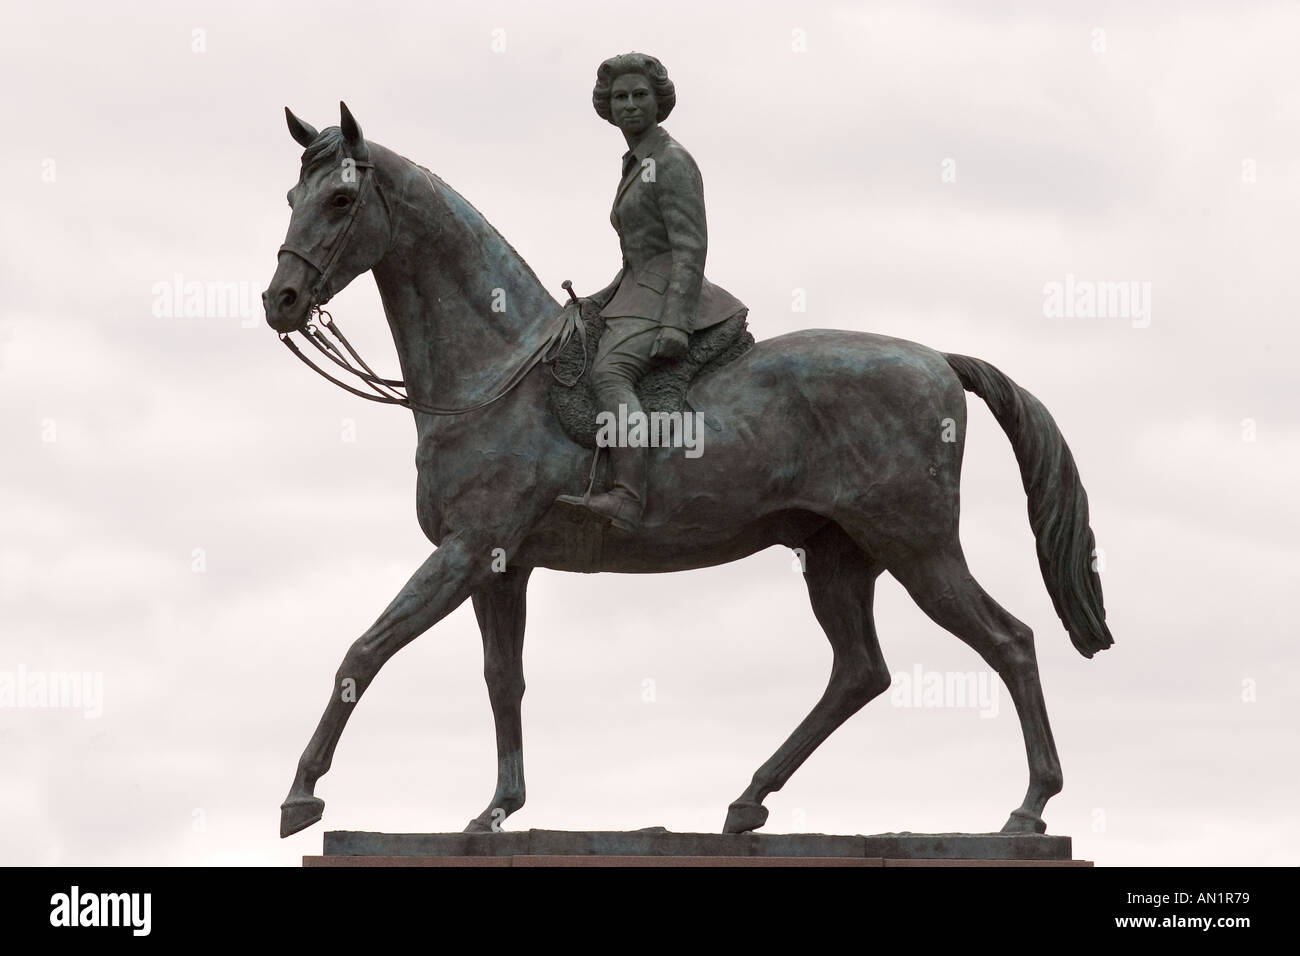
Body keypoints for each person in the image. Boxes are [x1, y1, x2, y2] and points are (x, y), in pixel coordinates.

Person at [556, 52, 747, 532]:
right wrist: (595, 301)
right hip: (636, 292)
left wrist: (675, 322)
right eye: (620, 97)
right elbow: (635, 258)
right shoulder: (636, 163)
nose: (630, 105)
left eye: (640, 95)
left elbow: (690, 247)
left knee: (610, 374)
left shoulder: (671, 160)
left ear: (659, 101)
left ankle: (627, 496)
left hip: (671, 298)